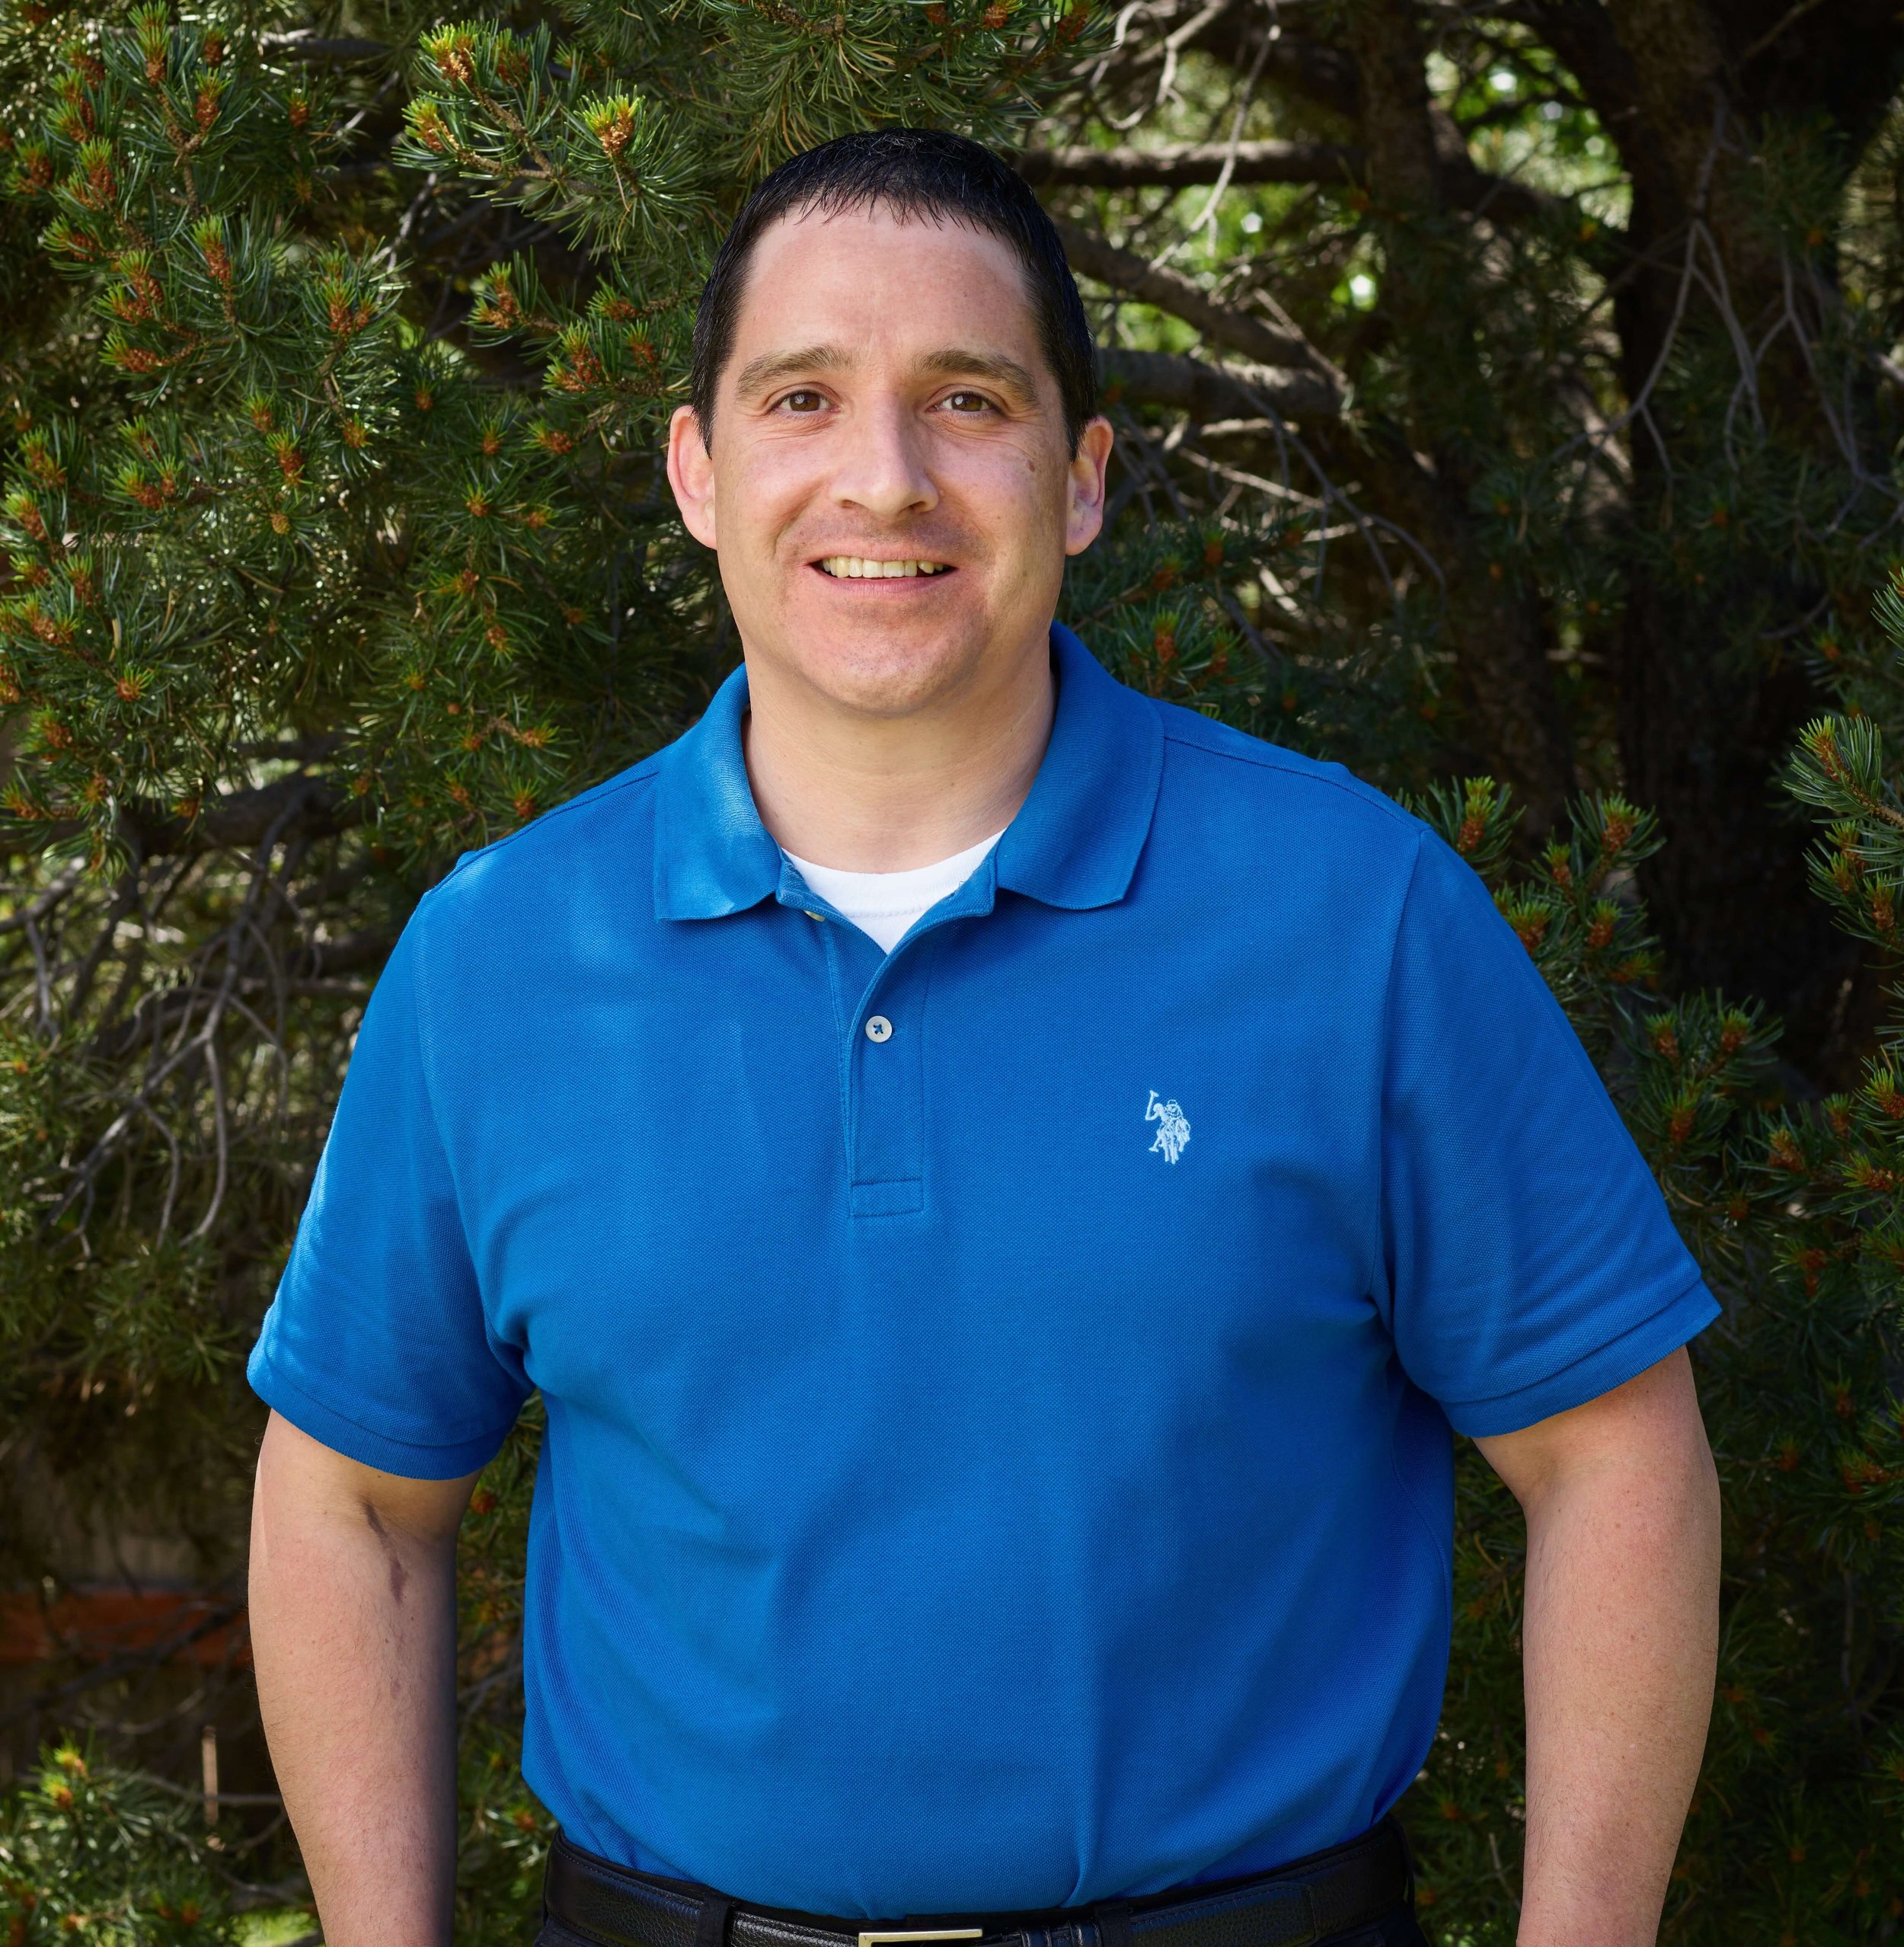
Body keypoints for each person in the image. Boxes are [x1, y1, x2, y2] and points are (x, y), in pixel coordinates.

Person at [245, 129, 1722, 1947]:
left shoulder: (1354, 915)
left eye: (964, 400)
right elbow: (353, 1506)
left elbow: (1613, 1456)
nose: (882, 479)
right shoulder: (499, 958)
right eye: (800, 399)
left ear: (1080, 478)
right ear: (698, 473)